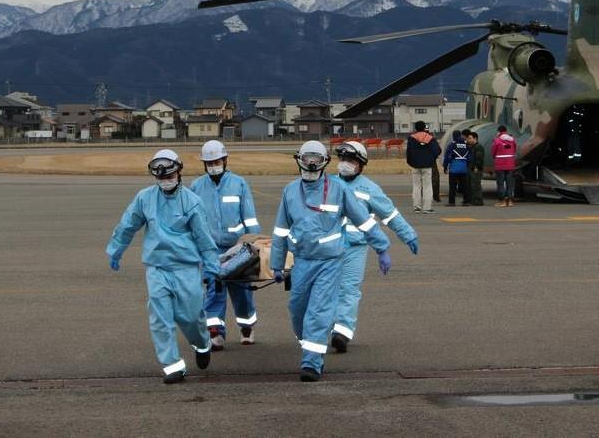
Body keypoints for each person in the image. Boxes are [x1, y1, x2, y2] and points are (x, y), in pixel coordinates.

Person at [270, 140, 391, 382]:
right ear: (300, 160)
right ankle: (311, 344)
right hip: (302, 261)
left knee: (319, 310)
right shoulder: (290, 191)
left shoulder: (338, 190)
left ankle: (312, 363)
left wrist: (381, 246)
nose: (312, 163)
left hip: (330, 262)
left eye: (316, 158)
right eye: (307, 158)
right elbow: (281, 230)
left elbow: (363, 220)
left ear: (325, 161)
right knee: (297, 309)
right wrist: (277, 263)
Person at [106, 149, 218, 384]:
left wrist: (211, 267)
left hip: (186, 268)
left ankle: (202, 342)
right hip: (157, 268)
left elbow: (204, 238)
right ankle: (172, 365)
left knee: (190, 317)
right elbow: (128, 224)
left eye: (169, 176)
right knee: (160, 318)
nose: (165, 181)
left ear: (179, 173)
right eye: (161, 178)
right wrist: (115, 250)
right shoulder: (145, 198)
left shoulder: (192, 202)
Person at [329, 141, 418, 353]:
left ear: (361, 163)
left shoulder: (370, 189)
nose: (345, 164)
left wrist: (408, 235)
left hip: (355, 249)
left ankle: (341, 332)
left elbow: (390, 215)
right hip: (328, 248)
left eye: (350, 160)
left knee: (349, 290)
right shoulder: (328, 184)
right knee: (327, 290)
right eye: (342, 159)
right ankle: (324, 326)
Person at [189, 140, 261, 351]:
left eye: (217, 161)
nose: (213, 165)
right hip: (210, 250)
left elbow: (250, 218)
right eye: (209, 162)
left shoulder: (239, 183)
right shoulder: (196, 186)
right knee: (214, 289)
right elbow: (193, 220)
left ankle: (247, 327)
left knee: (242, 292)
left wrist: (254, 244)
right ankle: (216, 333)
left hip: (238, 249)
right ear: (204, 164)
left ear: (225, 160)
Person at [406, 121, 442, 214]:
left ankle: (417, 207)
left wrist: (411, 162)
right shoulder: (430, 138)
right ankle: (427, 207)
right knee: (427, 186)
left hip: (415, 165)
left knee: (416, 186)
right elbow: (437, 150)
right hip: (427, 165)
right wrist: (432, 158)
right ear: (424, 128)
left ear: (416, 128)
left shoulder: (411, 138)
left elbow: (408, 152)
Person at [442, 130, 472, 206]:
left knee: (452, 186)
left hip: (454, 169)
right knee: (465, 186)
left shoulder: (452, 145)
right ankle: (466, 201)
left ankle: (452, 202)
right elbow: (470, 157)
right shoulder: (466, 145)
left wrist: (445, 167)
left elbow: (447, 157)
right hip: (463, 169)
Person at [491, 125, 518, 207]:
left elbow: (493, 151)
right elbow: (514, 149)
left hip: (500, 165)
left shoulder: (497, 140)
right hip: (510, 164)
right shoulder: (512, 140)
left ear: (499, 131)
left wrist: (496, 158)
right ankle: (510, 201)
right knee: (510, 183)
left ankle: (502, 201)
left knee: (500, 184)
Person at [465, 130, 486, 205]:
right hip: (471, 168)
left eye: (470, 138)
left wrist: (477, 167)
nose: (468, 140)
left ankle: (478, 200)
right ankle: (473, 200)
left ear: (475, 138)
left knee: (476, 185)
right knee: (472, 185)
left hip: (476, 169)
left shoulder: (478, 147)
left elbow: (479, 158)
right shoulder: (472, 147)